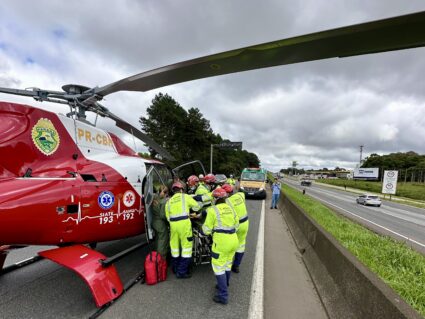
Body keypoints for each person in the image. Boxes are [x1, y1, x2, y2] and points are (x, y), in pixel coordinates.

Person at [201, 187, 239, 304]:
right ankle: (225, 283)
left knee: (218, 268)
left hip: (221, 242)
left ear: (215, 199)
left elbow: (206, 230)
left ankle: (223, 295)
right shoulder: (231, 208)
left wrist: (202, 232)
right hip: (233, 240)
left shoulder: (213, 210)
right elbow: (237, 225)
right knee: (227, 264)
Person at [165, 181, 201, 278]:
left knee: (175, 248)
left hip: (173, 225)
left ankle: (175, 268)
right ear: (181, 189)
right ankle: (182, 272)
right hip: (184, 224)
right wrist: (190, 213)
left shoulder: (168, 201)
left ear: (173, 191)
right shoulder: (185, 197)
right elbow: (197, 206)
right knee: (186, 248)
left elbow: (167, 217)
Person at [222, 183, 248, 274]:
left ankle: (226, 264)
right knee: (241, 245)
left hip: (236, 225)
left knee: (229, 243)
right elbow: (242, 192)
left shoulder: (227, 201)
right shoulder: (240, 195)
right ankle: (236, 266)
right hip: (245, 223)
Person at [151, 186, 170, 259]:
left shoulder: (155, 198)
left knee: (158, 240)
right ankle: (161, 259)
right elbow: (163, 216)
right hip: (160, 224)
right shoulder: (164, 201)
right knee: (163, 241)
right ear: (166, 193)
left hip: (154, 222)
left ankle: (156, 256)